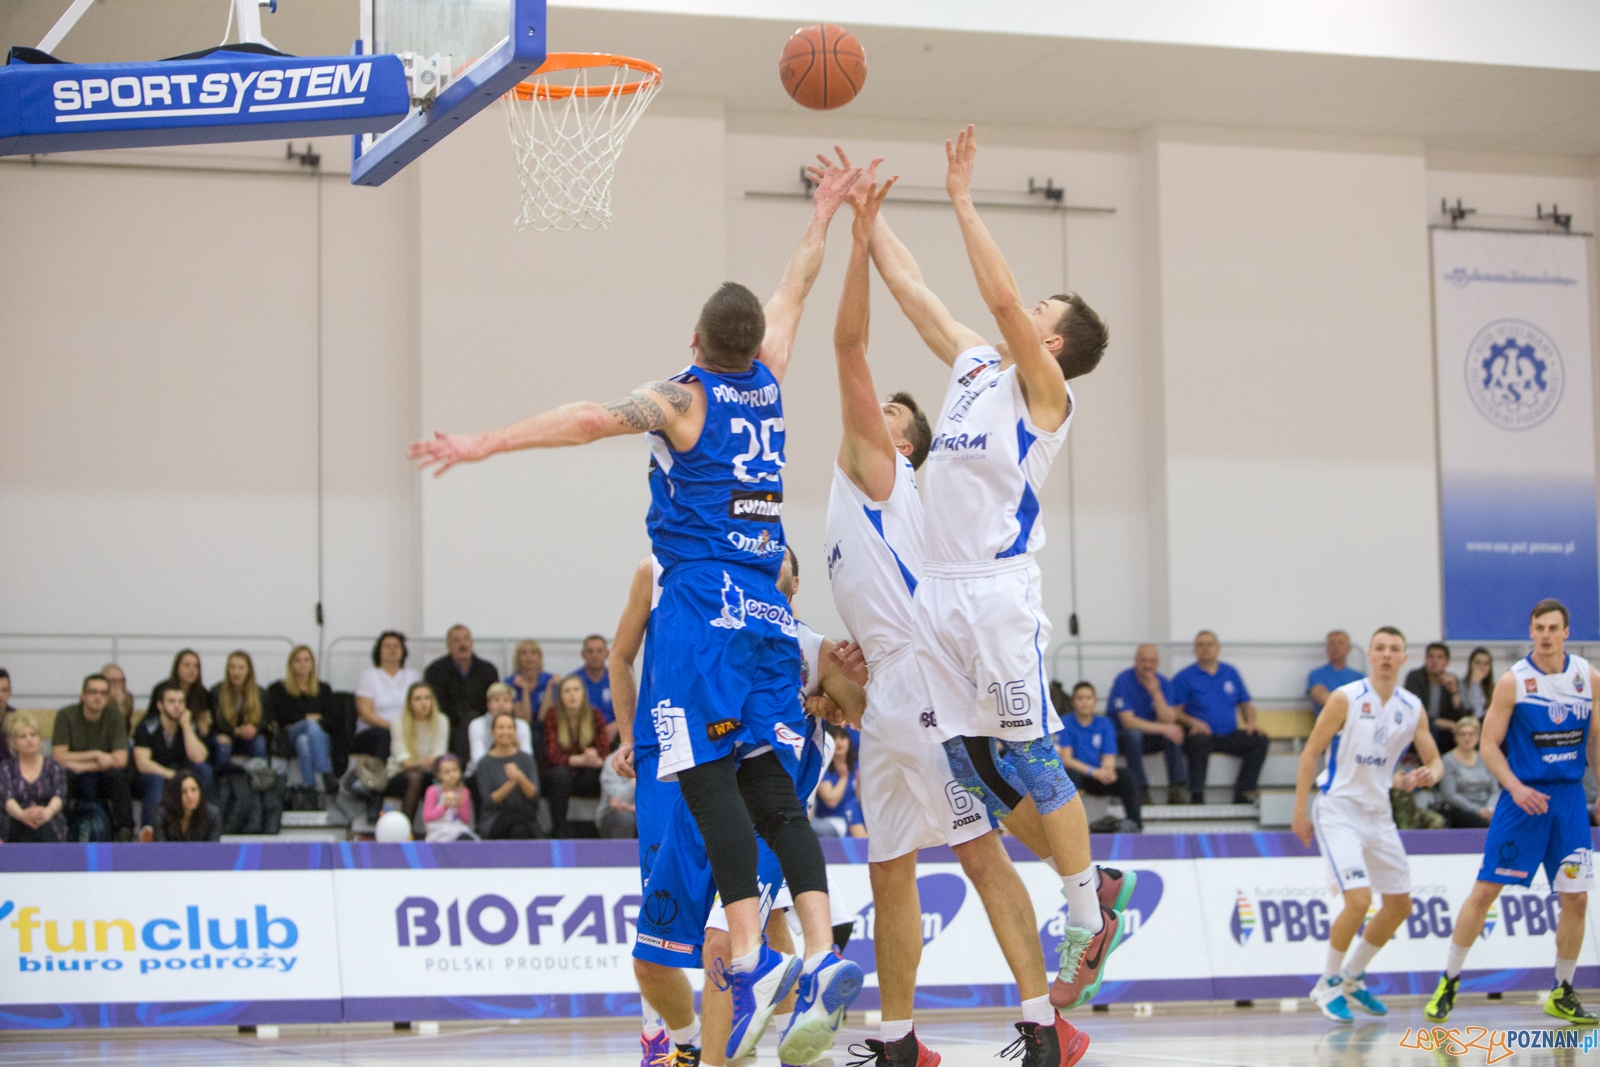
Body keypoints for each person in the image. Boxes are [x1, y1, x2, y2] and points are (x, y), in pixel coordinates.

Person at [411, 146, 864, 1067]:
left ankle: (748, 958)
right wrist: (823, 217)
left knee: (704, 779)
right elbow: (794, 292)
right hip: (766, 615)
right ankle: (814, 953)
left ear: (695, 339)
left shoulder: (682, 398)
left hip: (698, 608)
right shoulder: (769, 377)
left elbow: (586, 417)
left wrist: (486, 443)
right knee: (767, 785)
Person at [865, 130, 1113, 1062]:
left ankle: (1086, 917)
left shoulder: (1045, 391)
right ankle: (1087, 884)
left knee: (1035, 755)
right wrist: (868, 221)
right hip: (939, 597)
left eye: (1040, 308)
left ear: (1049, 341)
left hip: (999, 599)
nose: (1023, 307)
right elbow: (918, 294)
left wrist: (963, 197)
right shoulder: (974, 367)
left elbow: (1001, 297)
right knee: (965, 768)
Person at [1426, 599, 1600, 1026]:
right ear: (1531, 631)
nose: (1544, 634)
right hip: (1523, 799)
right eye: (1538, 627)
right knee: (1485, 892)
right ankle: (1449, 980)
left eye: (1552, 627)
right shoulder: (1514, 681)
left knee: (1575, 899)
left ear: (1566, 631)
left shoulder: (1587, 677)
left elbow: (1595, 740)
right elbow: (1488, 746)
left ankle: (1562, 990)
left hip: (1569, 800)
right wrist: (1516, 786)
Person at [1292, 627, 1442, 1023]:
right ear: (1370, 656)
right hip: (1339, 808)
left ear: (1404, 657)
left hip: (1379, 812)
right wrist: (1298, 811)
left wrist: (1430, 774)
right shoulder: (1347, 698)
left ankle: (1353, 977)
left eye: (1395, 649)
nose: (1387, 655)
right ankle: (1326, 984)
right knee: (1358, 901)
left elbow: (1435, 759)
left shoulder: (1412, 706)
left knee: (1399, 905)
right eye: (1380, 648)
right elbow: (1310, 753)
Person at [1170, 632, 1271, 804]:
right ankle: (1197, 795)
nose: (1205, 648)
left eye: (1210, 644)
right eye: (1200, 645)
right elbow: (1174, 712)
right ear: (1195, 650)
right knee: (1198, 741)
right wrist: (1193, 722)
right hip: (1202, 734)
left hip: (1228, 733)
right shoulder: (1184, 677)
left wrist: (1251, 723)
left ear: (1218, 648)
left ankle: (1244, 793)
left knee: (1259, 740)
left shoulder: (1230, 673)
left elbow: (1245, 704)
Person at [52, 672, 134, 840]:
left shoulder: (114, 716)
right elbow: (58, 757)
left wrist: (82, 764)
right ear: (83, 695)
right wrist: (97, 754)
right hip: (74, 775)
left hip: (102, 775)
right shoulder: (66, 715)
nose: (98, 697)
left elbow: (121, 759)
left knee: (118, 778)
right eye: (93, 692)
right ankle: (60, 832)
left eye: (103, 693)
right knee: (62, 776)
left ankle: (124, 832)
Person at [1108, 645, 1188, 807]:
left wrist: (1156, 693)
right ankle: (1140, 788)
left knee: (1174, 734)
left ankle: (1176, 788)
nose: (1148, 665)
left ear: (1158, 663)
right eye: (1143, 661)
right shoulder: (1123, 680)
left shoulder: (1163, 682)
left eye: (1152, 661)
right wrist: (1166, 728)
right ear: (1136, 661)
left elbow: (1169, 719)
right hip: (1121, 738)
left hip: (1150, 736)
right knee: (1134, 734)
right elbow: (1128, 721)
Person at [1056, 682, 1142, 832]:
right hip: (1079, 775)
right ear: (1073, 701)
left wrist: (1107, 771)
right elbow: (1066, 759)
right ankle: (1070, 827)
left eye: (1088, 698)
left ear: (1095, 702)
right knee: (1070, 774)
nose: (1084, 702)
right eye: (1080, 698)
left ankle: (1135, 824)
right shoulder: (1065, 722)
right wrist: (1093, 772)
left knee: (1127, 777)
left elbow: (1109, 755)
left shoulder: (1104, 723)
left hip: (1098, 777)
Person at [134, 681, 213, 828]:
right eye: (171, 701)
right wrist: (172, 775)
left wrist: (186, 727)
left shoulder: (189, 726)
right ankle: (150, 832)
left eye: (181, 701)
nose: (177, 706)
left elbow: (199, 757)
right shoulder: (146, 727)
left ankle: (203, 826)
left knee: (204, 770)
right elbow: (142, 763)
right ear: (160, 705)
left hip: (180, 774)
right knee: (155, 780)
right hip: (152, 776)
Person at [542, 676, 611, 837]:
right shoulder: (552, 715)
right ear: (560, 696)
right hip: (558, 775)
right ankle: (559, 828)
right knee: (561, 775)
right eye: (567, 691)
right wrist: (579, 760)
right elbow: (551, 754)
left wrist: (595, 756)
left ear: (583, 693)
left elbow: (605, 751)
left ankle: (603, 827)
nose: (572, 695)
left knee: (605, 774)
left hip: (586, 774)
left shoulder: (595, 715)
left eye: (576, 690)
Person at [266, 645, 338, 792]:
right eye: (297, 660)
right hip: (290, 736)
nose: (302, 664)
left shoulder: (323, 688)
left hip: (318, 736)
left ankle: (309, 788)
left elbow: (332, 719)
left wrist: (301, 718)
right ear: (291, 664)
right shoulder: (279, 689)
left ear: (312, 663)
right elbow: (282, 717)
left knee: (304, 740)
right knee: (310, 725)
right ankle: (325, 772)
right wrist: (311, 718)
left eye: (306, 660)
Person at [424, 625, 499, 763]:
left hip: (482, 724)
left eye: (466, 639)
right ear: (448, 645)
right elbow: (437, 704)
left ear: (472, 642)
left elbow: (493, 700)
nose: (462, 644)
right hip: (449, 725)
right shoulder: (435, 671)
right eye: (456, 640)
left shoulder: (488, 670)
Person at [387, 682, 449, 822]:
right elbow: (404, 762)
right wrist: (422, 762)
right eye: (418, 699)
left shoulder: (442, 720)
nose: (423, 703)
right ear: (410, 703)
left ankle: (443, 832)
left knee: (449, 776)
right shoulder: (399, 721)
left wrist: (427, 763)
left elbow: (438, 757)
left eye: (427, 698)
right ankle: (405, 829)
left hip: (429, 773)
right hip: (399, 776)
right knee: (415, 777)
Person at [354, 631, 421, 761]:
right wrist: (393, 727)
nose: (392, 650)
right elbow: (365, 712)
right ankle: (382, 777)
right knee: (386, 736)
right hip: (376, 729)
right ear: (379, 650)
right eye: (387, 646)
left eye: (396, 646)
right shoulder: (369, 675)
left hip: (407, 728)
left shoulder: (413, 676)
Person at [476, 711, 541, 839]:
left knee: (520, 825)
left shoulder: (526, 759)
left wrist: (520, 777)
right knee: (518, 827)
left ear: (515, 732)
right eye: (501, 728)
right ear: (492, 732)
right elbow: (488, 801)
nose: (505, 732)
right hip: (496, 817)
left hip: (524, 816)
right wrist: (510, 783)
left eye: (509, 727)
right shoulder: (484, 763)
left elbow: (534, 795)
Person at [2, 715, 67, 843]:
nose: (29, 740)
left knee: (45, 829)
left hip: (49, 818)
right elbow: (6, 798)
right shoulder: (6, 768)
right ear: (14, 743)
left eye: (33, 735)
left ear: (39, 739)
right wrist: (22, 815)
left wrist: (46, 813)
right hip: (16, 819)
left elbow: (59, 795)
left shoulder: (53, 766)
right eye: (23, 737)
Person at [1437, 717, 1499, 828]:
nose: (1467, 738)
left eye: (1471, 734)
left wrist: (1490, 809)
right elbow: (1449, 794)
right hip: (1461, 810)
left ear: (1478, 737)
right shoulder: (1448, 760)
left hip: (1487, 808)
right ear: (1456, 737)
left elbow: (1494, 790)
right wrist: (1478, 810)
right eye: (1463, 734)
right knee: (1479, 823)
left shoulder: (1485, 758)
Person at [1405, 642, 1463, 755]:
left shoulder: (1451, 680)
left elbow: (1459, 716)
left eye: (1439, 657)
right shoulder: (1415, 678)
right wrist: (1439, 722)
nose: (1434, 661)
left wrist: (1454, 692)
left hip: (1443, 734)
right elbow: (1414, 711)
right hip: (1418, 727)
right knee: (1431, 730)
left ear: (1447, 662)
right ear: (1425, 659)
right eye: (1430, 656)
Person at [211, 650, 268, 764]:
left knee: (260, 742)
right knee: (223, 745)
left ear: (248, 671)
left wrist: (254, 730)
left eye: (241, 668)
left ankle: (259, 778)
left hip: (249, 738)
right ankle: (223, 780)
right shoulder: (217, 691)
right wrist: (235, 731)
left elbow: (265, 721)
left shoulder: (260, 693)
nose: (236, 672)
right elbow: (216, 723)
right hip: (226, 735)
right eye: (232, 667)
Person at [810, 726, 865, 838]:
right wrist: (843, 777)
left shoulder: (859, 768)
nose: (839, 741)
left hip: (856, 819)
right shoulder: (823, 770)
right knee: (811, 827)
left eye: (843, 737)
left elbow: (864, 797)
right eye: (835, 737)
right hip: (829, 820)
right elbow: (831, 801)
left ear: (849, 741)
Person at [468, 683, 533, 775]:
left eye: (506, 700)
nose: (501, 705)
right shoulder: (477, 725)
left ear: (512, 705)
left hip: (515, 771)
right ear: (488, 704)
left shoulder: (522, 725)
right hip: (483, 773)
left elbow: (528, 757)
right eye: (496, 700)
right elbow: (478, 759)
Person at [152, 770, 221, 842]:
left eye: (193, 790)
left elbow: (213, 850)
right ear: (175, 795)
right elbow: (160, 850)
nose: (190, 796)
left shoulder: (212, 815)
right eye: (183, 792)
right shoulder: (161, 814)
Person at [422, 753, 477, 842]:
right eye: (447, 772)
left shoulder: (463, 791)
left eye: (455, 770)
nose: (452, 775)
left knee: (466, 838)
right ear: (439, 775)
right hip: (438, 831)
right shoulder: (433, 791)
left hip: (458, 828)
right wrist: (444, 807)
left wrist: (460, 805)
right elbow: (427, 816)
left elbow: (466, 820)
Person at [1307, 630, 1364, 712]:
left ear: (1348, 649)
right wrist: (1351, 699)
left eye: (1340, 643)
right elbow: (1323, 699)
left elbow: (1363, 703)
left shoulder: (1359, 677)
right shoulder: (1316, 674)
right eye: (1331, 643)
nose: (1336, 647)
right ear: (1327, 648)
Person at [148, 649, 212, 721]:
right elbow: (150, 718)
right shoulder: (162, 689)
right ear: (177, 667)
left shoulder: (202, 693)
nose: (192, 670)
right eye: (186, 665)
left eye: (196, 666)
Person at [507, 639, 554, 725]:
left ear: (540, 657)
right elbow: (524, 720)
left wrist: (550, 688)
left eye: (533, 653)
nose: (529, 657)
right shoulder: (509, 683)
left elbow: (543, 718)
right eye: (524, 653)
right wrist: (525, 689)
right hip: (519, 727)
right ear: (517, 658)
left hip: (545, 727)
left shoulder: (551, 680)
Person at [575, 634, 616, 732]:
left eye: (599, 651)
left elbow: (629, 712)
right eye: (590, 651)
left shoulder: (617, 681)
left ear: (607, 654)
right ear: (583, 654)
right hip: (580, 732)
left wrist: (616, 726)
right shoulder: (574, 681)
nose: (595, 655)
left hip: (612, 733)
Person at [596, 756, 636, 839]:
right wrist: (635, 781)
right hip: (611, 814)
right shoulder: (615, 759)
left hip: (641, 811)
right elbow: (616, 802)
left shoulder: (657, 757)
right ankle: (622, 852)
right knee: (625, 819)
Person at [101, 663, 137, 731]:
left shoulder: (128, 697)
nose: (117, 685)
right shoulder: (98, 696)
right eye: (112, 681)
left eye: (121, 681)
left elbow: (126, 728)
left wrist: (120, 704)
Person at [1461, 647, 1494, 719]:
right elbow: (1475, 712)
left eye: (1486, 663)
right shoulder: (1461, 685)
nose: (1482, 667)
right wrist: (1475, 683)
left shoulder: (1494, 689)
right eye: (1477, 663)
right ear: (1470, 664)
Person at [0, 668, 14, 763]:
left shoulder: (17, 719)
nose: (0, 695)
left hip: (11, 774)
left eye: (4, 690)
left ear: (10, 692)